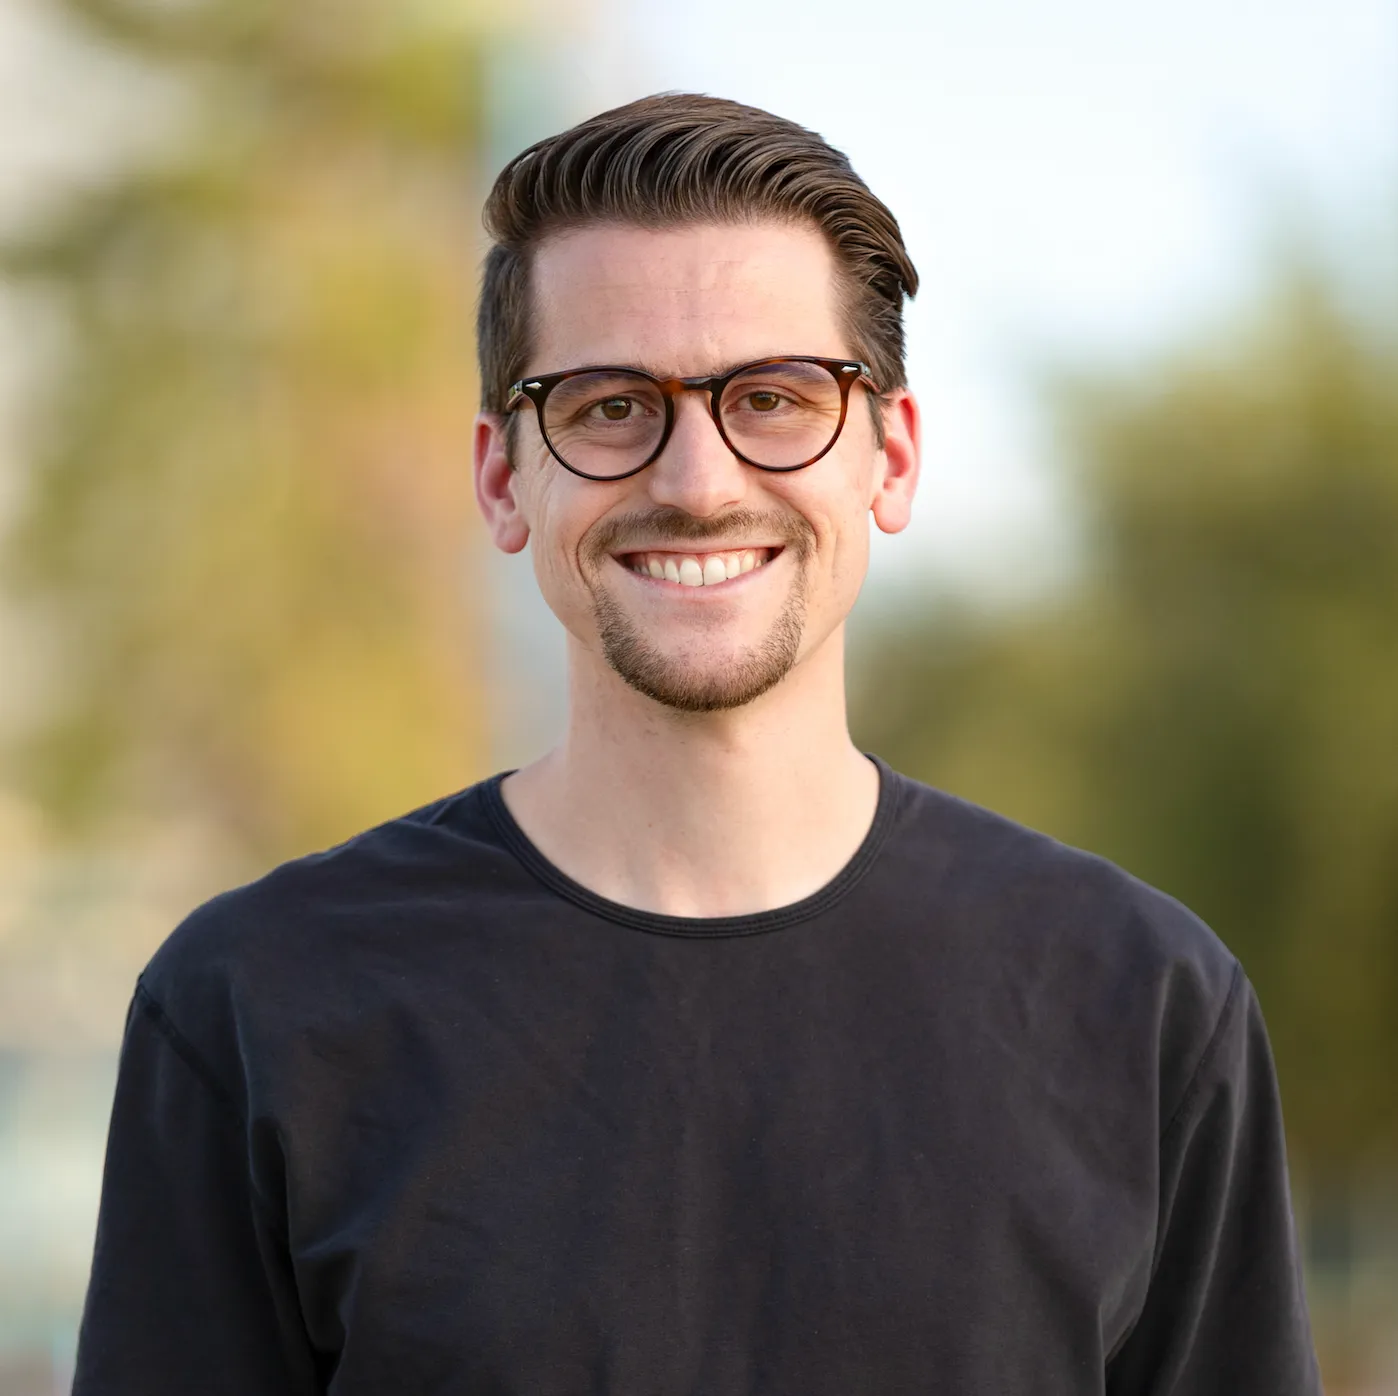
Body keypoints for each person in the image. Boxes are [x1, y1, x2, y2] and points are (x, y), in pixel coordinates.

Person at [74, 94, 1320, 1394]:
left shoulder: (1140, 1003)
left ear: (887, 459)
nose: (697, 479)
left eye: (774, 398)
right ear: (504, 480)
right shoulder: (259, 1005)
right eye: (610, 406)